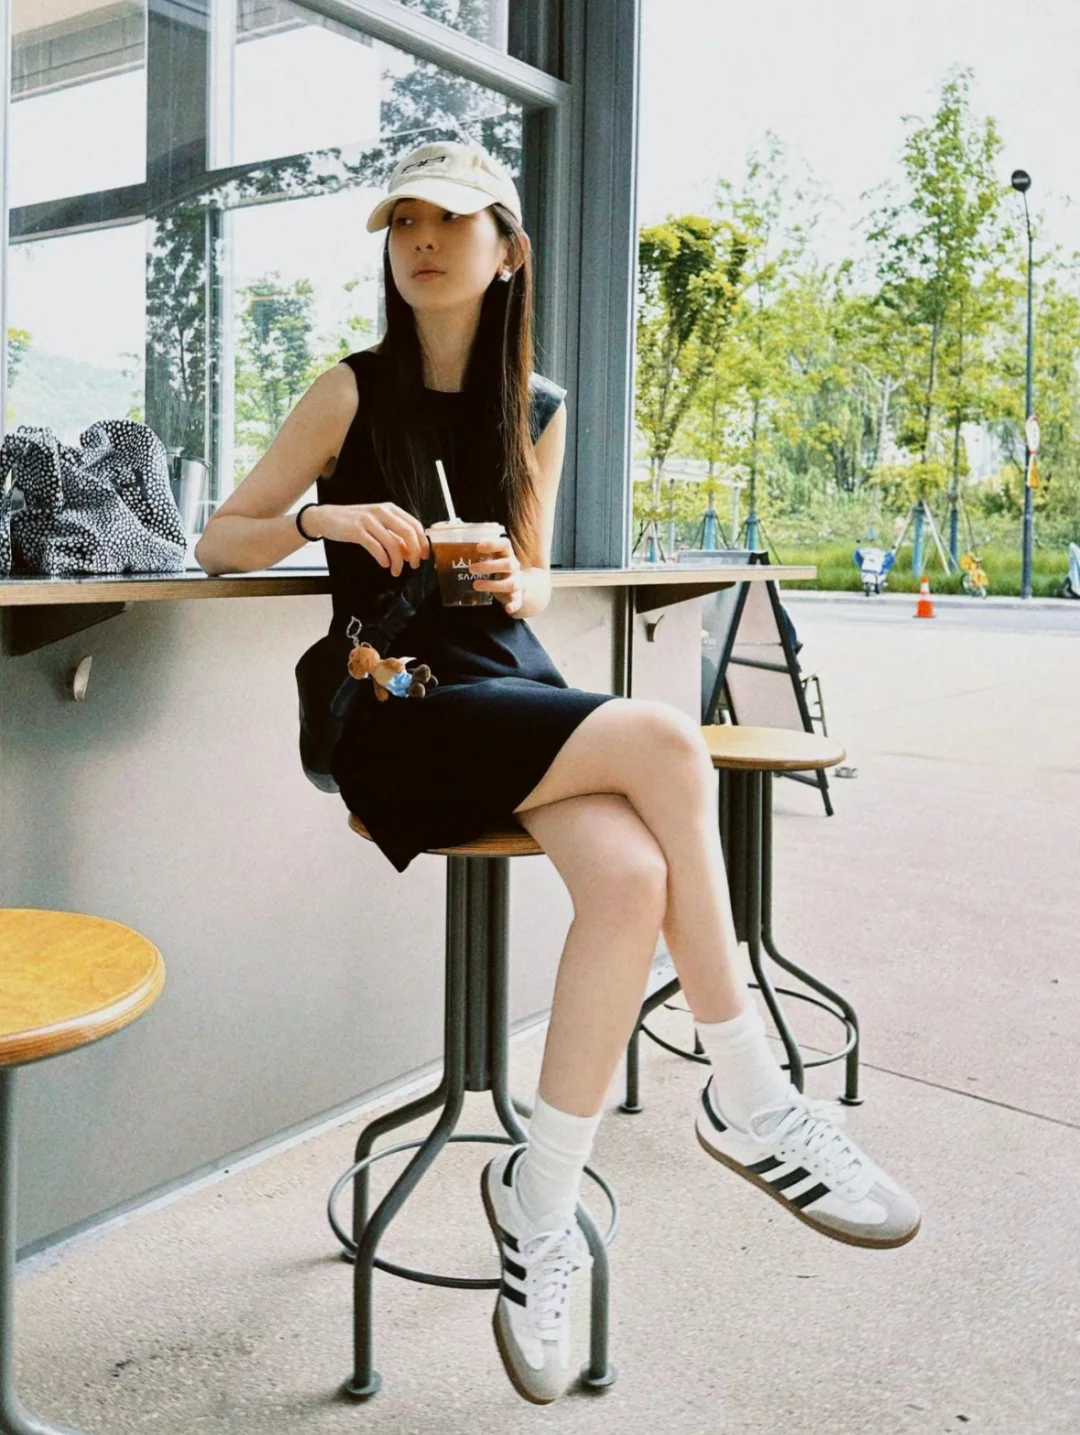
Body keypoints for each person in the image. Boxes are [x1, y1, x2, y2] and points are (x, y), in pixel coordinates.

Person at [195, 140, 920, 1407]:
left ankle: (536, 1198)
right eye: (403, 222)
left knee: (632, 879)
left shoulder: (537, 403)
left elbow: (530, 573)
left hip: (504, 683)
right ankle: (750, 1090)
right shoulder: (348, 391)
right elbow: (218, 540)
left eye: (450, 220)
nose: (423, 241)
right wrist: (325, 519)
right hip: (397, 703)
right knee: (666, 739)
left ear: (507, 249)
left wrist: (507, 578)